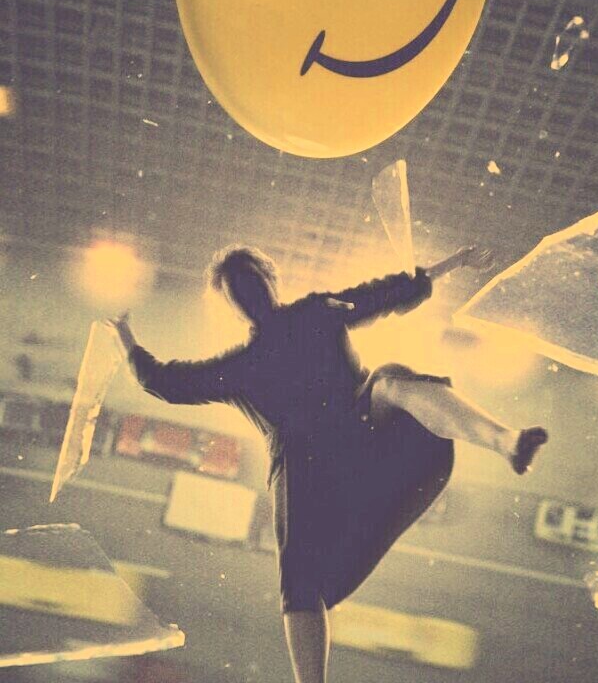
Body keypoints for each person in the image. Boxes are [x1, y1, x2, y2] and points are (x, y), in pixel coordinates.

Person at [108, 245, 547, 683]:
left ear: (266, 285)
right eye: (240, 288)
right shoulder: (290, 332)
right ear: (241, 300)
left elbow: (390, 293)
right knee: (300, 578)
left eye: (249, 282)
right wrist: (125, 334)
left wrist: (125, 336)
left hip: (345, 445)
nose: (249, 294)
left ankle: (507, 440)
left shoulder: (282, 337)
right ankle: (504, 440)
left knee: (390, 382)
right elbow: (390, 293)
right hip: (324, 463)